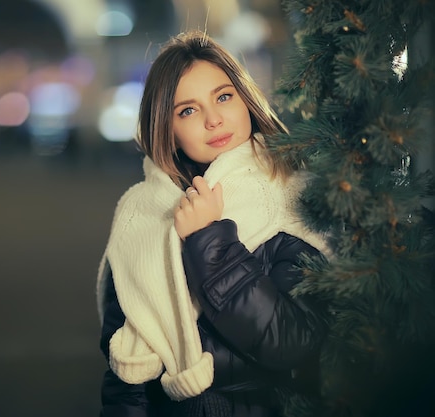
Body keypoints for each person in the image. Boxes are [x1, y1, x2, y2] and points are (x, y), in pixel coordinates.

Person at [96, 30, 331, 417]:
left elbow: (291, 340)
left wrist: (208, 240)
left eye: (223, 96)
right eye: (187, 110)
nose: (214, 119)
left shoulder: (291, 194)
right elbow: (125, 376)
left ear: (246, 100)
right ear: (167, 130)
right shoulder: (140, 212)